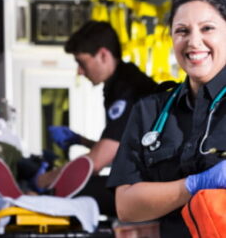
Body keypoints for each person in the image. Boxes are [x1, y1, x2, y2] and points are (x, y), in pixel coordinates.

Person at [107, 0, 226, 237]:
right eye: (182, 31)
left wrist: (163, 194)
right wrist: (194, 185)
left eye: (207, 28)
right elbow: (126, 206)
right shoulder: (150, 111)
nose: (194, 42)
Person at [47, 21, 159, 215]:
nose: (79, 72)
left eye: (82, 63)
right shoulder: (119, 83)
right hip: (149, 182)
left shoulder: (127, 89)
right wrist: (80, 140)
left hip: (157, 189)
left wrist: (47, 180)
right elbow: (122, 149)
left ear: (103, 55)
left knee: (70, 191)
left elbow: (97, 162)